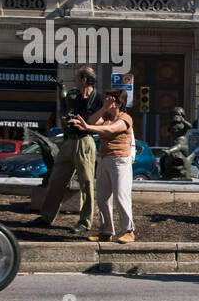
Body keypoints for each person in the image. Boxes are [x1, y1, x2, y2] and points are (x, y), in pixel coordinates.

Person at [36, 67, 103, 233]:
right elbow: (67, 108)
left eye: (76, 78)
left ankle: (85, 222)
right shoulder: (76, 96)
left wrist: (86, 124)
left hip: (85, 141)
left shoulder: (98, 98)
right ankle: (46, 216)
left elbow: (104, 120)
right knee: (56, 180)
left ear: (84, 79)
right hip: (68, 141)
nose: (74, 80)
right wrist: (68, 118)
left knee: (87, 183)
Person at [70, 88, 136, 243]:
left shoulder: (125, 118)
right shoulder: (106, 116)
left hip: (120, 161)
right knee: (102, 198)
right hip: (104, 160)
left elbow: (110, 129)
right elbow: (93, 121)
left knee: (121, 197)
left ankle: (128, 231)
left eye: (110, 98)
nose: (106, 99)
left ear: (118, 102)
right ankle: (106, 232)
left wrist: (87, 128)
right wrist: (103, 108)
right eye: (106, 96)